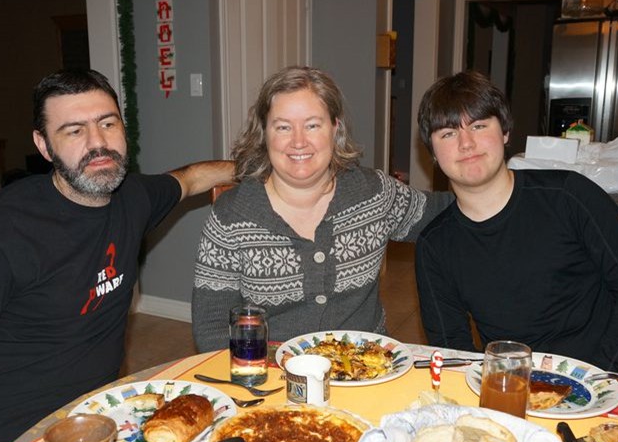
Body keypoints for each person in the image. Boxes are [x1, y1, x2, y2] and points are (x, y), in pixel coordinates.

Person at [0, 69, 233, 442]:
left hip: (101, 423)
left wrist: (278, 162)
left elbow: (193, 176)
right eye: (73, 130)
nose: (97, 143)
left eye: (107, 123)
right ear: (44, 146)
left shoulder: (133, 198)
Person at [414, 70, 618, 374]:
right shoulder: (435, 245)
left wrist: (603, 376)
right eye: (448, 133)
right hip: (510, 385)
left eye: (479, 126)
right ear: (433, 153)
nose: (466, 143)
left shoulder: (570, 196)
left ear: (505, 132)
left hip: (601, 374)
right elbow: (452, 348)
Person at [191, 66, 454, 351]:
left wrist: (502, 185)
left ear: (335, 128)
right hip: (276, 378)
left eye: (313, 125)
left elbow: (447, 212)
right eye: (283, 127)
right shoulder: (230, 218)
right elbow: (211, 330)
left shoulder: (372, 193)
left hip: (367, 370)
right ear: (264, 134)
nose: (298, 141)